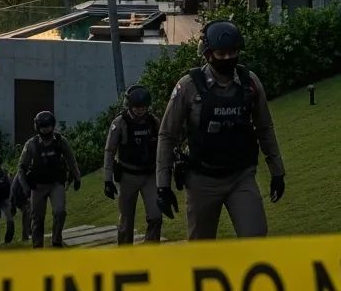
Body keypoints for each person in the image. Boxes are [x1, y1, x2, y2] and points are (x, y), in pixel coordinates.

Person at [155, 20, 285, 240]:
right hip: (201, 179)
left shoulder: (250, 83)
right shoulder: (188, 86)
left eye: (232, 52)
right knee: (202, 250)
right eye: (221, 53)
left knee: (256, 238)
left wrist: (277, 172)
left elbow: (265, 128)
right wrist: (162, 186)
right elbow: (167, 135)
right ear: (207, 53)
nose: (227, 58)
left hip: (240, 176)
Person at [103, 84, 162, 244]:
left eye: (143, 107)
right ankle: (126, 257)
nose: (140, 110)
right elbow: (109, 151)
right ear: (129, 106)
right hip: (127, 176)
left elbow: (163, 144)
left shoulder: (153, 121)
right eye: (136, 107)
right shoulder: (120, 123)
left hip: (149, 175)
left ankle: (152, 251)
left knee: (156, 215)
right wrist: (108, 180)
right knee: (125, 222)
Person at [18, 110, 82, 248]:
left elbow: (71, 160)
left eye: (48, 126)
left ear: (53, 126)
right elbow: (22, 167)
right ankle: (37, 245)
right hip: (37, 186)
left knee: (60, 212)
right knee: (37, 218)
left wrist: (77, 177)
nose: (46, 129)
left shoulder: (61, 141)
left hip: (56, 184)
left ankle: (56, 240)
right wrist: (25, 188)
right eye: (43, 127)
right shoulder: (31, 145)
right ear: (38, 128)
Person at [10, 168, 32, 244]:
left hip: (22, 195)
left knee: (30, 211)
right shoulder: (22, 172)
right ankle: (25, 236)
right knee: (27, 211)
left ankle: (29, 232)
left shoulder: (26, 170)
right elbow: (22, 186)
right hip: (18, 196)